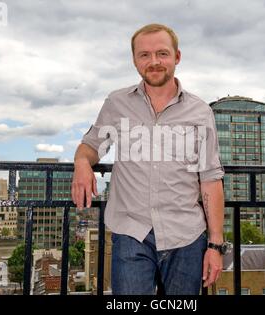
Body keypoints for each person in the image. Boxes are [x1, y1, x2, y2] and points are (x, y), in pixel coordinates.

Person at [71, 23, 226, 295]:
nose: (153, 62)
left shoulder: (200, 112)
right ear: (134, 60)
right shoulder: (117, 103)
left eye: (162, 54)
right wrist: (82, 163)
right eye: (144, 55)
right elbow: (91, 145)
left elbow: (210, 180)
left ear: (177, 57)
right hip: (132, 232)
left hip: (186, 237)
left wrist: (214, 245)